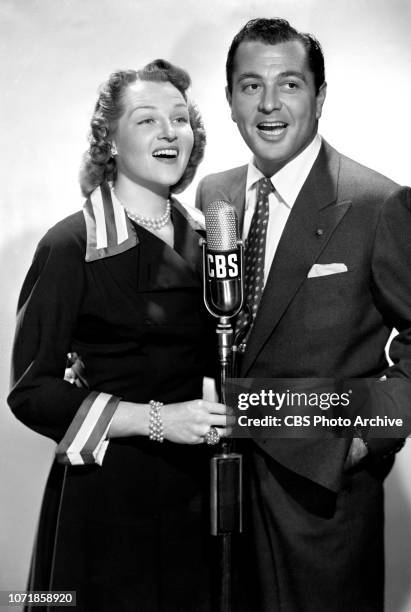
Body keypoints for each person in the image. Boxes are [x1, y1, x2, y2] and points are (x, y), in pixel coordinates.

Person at [196, 18, 411, 611]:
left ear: (319, 97)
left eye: (289, 85)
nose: (269, 104)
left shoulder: (377, 204)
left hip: (321, 501)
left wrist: (363, 439)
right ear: (230, 100)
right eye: (250, 86)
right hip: (217, 488)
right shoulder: (215, 194)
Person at [8, 59, 229, 612]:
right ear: (109, 140)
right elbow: (32, 392)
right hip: (108, 496)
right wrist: (160, 419)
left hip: (199, 492)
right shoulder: (70, 245)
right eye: (147, 120)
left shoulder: (210, 239)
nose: (170, 132)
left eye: (180, 119)